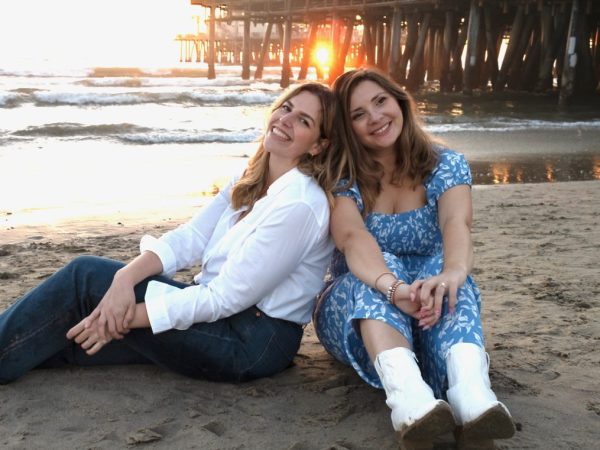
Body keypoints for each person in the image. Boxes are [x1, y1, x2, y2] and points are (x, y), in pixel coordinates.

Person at [0, 81, 337, 384]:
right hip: (221, 316)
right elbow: (192, 237)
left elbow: (223, 299)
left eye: (303, 121)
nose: (286, 120)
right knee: (70, 338)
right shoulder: (252, 177)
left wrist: (123, 315)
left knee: (84, 277)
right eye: (286, 107)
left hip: (251, 340)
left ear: (318, 146)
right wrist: (124, 279)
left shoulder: (300, 204)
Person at [314, 69, 515, 447]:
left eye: (380, 102)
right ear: (347, 127)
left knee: (447, 276)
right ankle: (410, 403)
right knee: (380, 269)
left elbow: (456, 223)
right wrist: (394, 288)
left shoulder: (444, 164)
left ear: (400, 101)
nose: (375, 117)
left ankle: (473, 397)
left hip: (428, 310)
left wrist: (452, 273)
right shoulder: (342, 176)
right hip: (359, 309)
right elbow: (354, 238)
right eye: (358, 114)